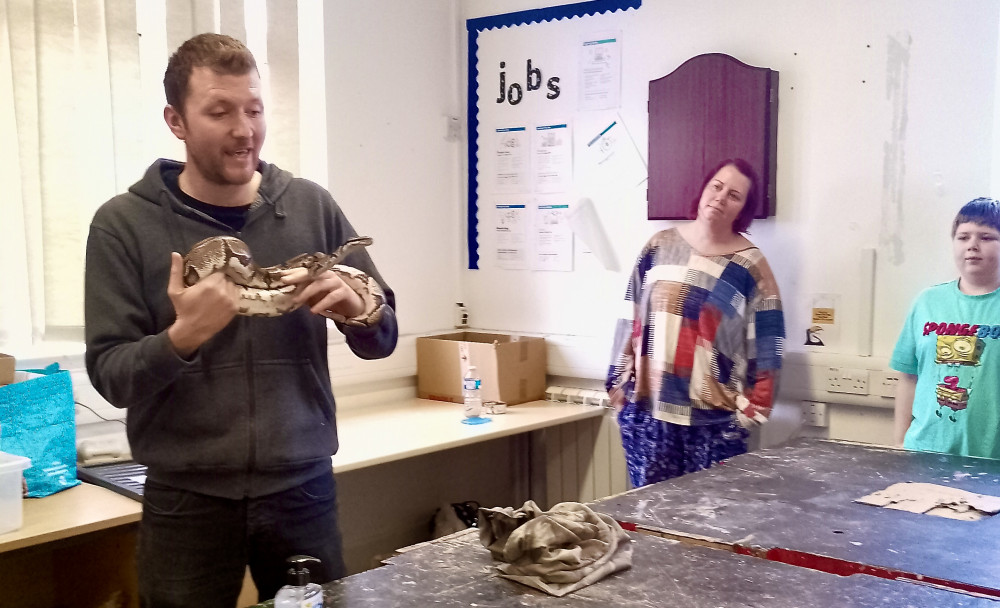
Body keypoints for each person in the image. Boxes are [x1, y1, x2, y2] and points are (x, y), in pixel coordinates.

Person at [84, 33, 398, 606]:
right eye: (220, 111)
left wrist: (361, 312)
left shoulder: (309, 206)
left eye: (253, 109)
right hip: (185, 501)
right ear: (176, 121)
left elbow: (383, 339)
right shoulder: (123, 225)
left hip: (302, 489)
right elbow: (111, 375)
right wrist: (183, 338)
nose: (244, 129)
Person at [606, 158, 785, 488]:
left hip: (714, 427)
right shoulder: (659, 246)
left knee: (707, 532)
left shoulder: (751, 267)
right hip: (649, 418)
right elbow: (629, 316)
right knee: (649, 525)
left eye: (734, 195)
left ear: (743, 209)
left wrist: (751, 413)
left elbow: (768, 345)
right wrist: (618, 388)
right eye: (716, 186)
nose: (720, 197)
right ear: (704, 190)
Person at [891, 197, 1000, 459]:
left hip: (991, 461)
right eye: (963, 237)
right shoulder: (927, 301)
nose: (972, 246)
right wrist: (898, 445)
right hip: (924, 452)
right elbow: (908, 378)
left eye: (986, 237)